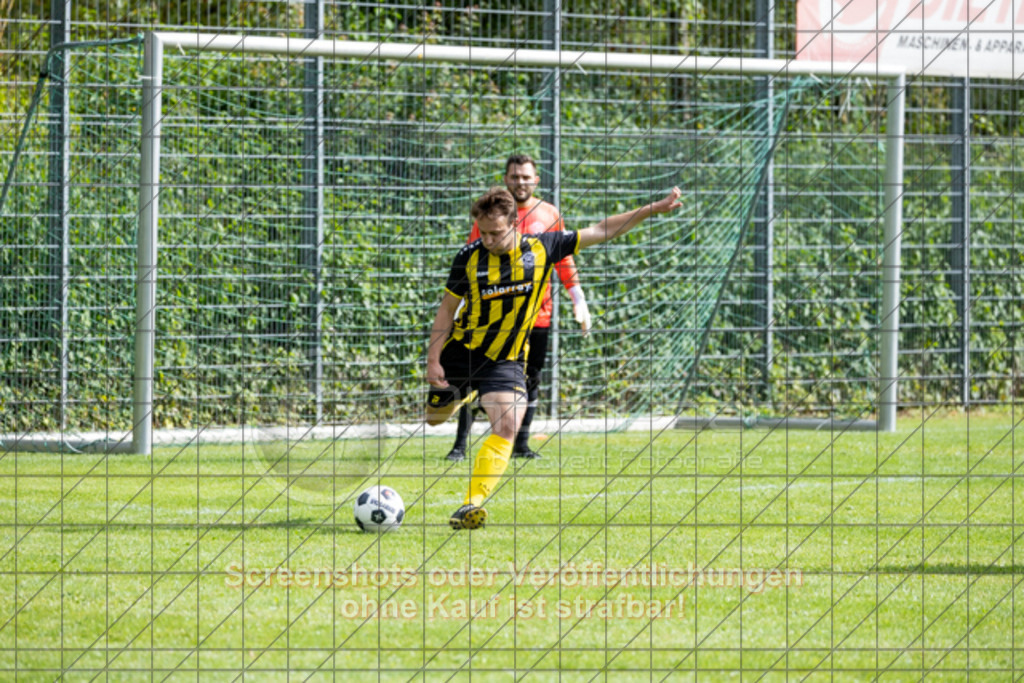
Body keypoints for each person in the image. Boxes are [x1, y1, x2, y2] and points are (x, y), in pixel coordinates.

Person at [426, 185, 683, 530]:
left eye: (496, 233)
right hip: (463, 352)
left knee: (507, 424)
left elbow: (602, 230)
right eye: (483, 233)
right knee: (433, 419)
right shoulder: (469, 257)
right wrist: (434, 360)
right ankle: (460, 397)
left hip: (507, 360)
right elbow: (446, 311)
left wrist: (653, 209)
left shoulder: (543, 247)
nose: (488, 240)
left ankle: (471, 504)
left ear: (515, 224)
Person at [444, 154, 590, 463]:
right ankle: (459, 445)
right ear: (506, 179)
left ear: (535, 180)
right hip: (492, 318)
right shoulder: (492, 215)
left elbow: (563, 257)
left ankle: (521, 444)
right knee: (475, 376)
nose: (520, 181)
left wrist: (578, 296)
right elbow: (474, 261)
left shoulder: (549, 213)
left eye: (525, 177)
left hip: (538, 315)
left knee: (531, 378)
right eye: (514, 176)